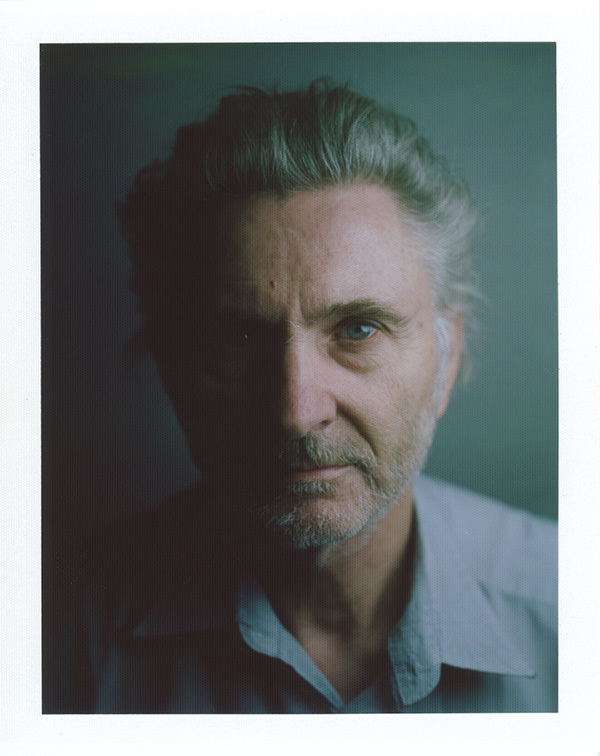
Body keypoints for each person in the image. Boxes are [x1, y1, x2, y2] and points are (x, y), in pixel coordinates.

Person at [46, 79, 557, 714]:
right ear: (171, 370)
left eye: (358, 330)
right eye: (236, 338)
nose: (296, 412)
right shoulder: (54, 637)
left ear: (446, 360)